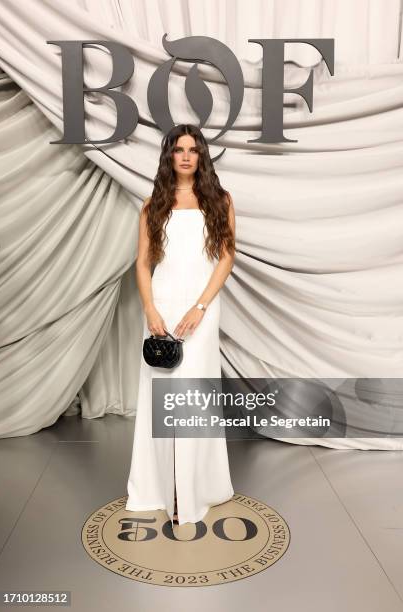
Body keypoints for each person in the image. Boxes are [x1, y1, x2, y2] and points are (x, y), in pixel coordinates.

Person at [125, 123, 236, 528]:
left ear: (202, 155)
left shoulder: (220, 200)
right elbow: (142, 263)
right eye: (178, 149)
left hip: (200, 309)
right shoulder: (153, 202)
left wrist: (201, 306)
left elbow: (226, 257)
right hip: (162, 305)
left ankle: (192, 493)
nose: (186, 156)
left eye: (193, 149)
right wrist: (150, 309)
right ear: (169, 156)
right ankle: (158, 488)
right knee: (160, 396)